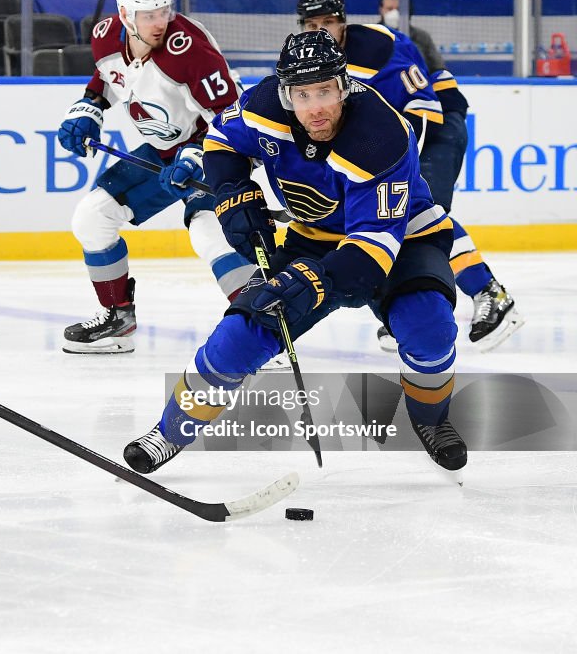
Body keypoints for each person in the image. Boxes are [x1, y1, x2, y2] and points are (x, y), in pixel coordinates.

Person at [123, 30, 467, 475]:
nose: (315, 106)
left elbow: (371, 252)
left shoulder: (381, 136)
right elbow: (222, 143)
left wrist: (312, 282)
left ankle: (431, 421)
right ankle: (169, 432)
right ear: (285, 93)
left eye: (324, 91)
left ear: (344, 86)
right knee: (239, 337)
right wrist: (233, 194)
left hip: (402, 240)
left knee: (429, 327)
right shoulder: (263, 105)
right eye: (302, 94)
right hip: (313, 236)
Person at [297, 0, 522, 352]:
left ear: (343, 21)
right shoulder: (310, 59)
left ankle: (490, 294)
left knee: (418, 210)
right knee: (389, 213)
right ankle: (399, 302)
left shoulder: (378, 46)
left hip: (437, 126)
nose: (320, 30)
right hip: (394, 135)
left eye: (328, 21)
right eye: (310, 24)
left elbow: (423, 109)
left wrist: (398, 168)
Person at [56, 0, 250, 354]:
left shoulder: (190, 49)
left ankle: (261, 329)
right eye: (149, 15)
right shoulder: (105, 36)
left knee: (209, 233)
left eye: (165, 11)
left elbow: (233, 118)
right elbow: (109, 80)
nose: (161, 21)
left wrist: (197, 156)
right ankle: (118, 318)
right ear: (126, 15)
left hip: (220, 149)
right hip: (164, 153)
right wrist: (86, 109)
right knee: (92, 217)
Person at [377, 0, 443, 77]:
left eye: (398, 9)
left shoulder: (422, 37)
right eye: (390, 9)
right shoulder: (370, 35)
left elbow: (439, 68)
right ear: (381, 10)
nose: (394, 13)